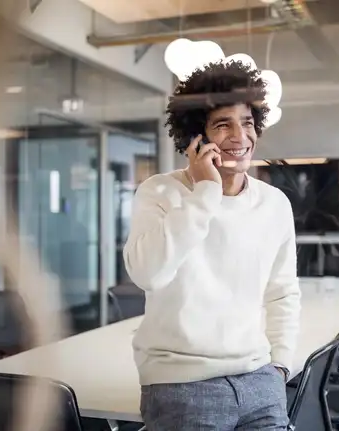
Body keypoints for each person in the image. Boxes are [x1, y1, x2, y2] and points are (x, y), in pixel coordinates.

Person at [123, 60, 301, 430]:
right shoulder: (160, 191)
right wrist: (206, 191)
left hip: (260, 380)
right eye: (223, 125)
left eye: (248, 123)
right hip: (182, 385)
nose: (240, 137)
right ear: (195, 138)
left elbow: (283, 292)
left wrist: (280, 364)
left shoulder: (274, 204)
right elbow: (147, 274)